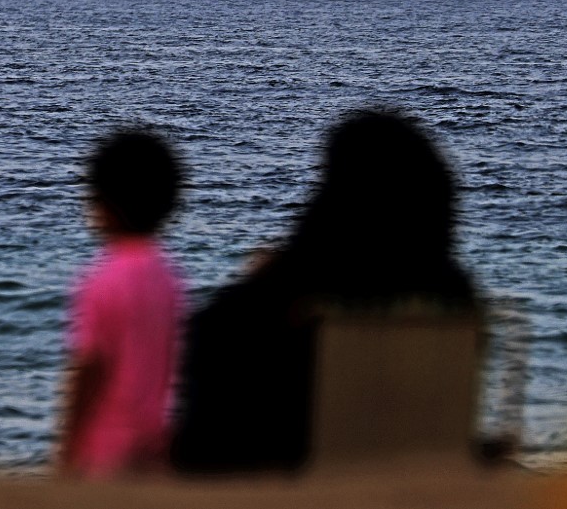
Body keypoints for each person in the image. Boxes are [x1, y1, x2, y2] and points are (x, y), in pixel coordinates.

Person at [172, 109, 481, 473]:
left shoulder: (275, 301)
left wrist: (261, 282)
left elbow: (205, 410)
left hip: (283, 479)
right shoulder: (452, 299)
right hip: (411, 482)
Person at [59, 129, 185, 478]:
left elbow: (90, 370)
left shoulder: (101, 279)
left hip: (105, 450)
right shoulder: (169, 276)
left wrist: (67, 452)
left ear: (101, 202)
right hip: (152, 446)